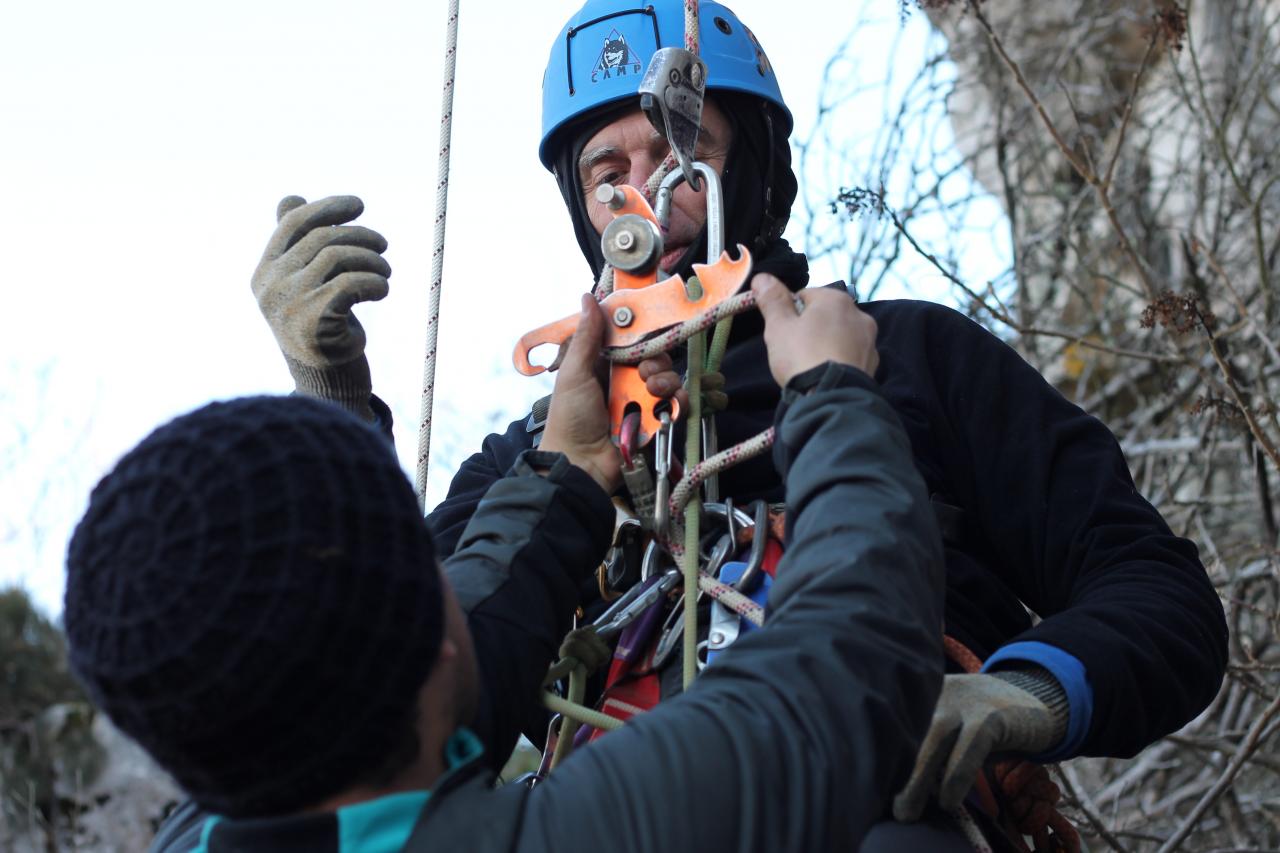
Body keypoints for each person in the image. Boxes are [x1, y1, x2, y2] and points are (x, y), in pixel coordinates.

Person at [246, 0, 1229, 845]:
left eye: (683, 154)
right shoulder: (543, 454)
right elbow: (375, 689)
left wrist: (1020, 694)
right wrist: (332, 399)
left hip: (884, 809)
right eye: (606, 172)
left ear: (749, 172)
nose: (645, 196)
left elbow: (1155, 590)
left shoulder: (912, 359)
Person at [65, 282, 945, 852]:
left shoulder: (197, 826)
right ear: (442, 651)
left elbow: (473, 596)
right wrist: (830, 391)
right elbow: (849, 656)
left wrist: (564, 469)